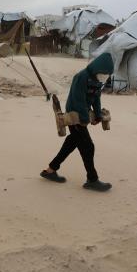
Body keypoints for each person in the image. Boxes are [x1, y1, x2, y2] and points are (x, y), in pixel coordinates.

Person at [41, 53, 114, 192]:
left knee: (71, 143)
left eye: (107, 75)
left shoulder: (97, 81)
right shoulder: (81, 77)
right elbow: (78, 99)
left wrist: (98, 115)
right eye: (104, 73)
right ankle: (92, 180)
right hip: (75, 115)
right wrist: (85, 119)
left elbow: (96, 98)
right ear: (97, 69)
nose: (105, 77)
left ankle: (50, 170)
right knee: (88, 147)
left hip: (83, 116)